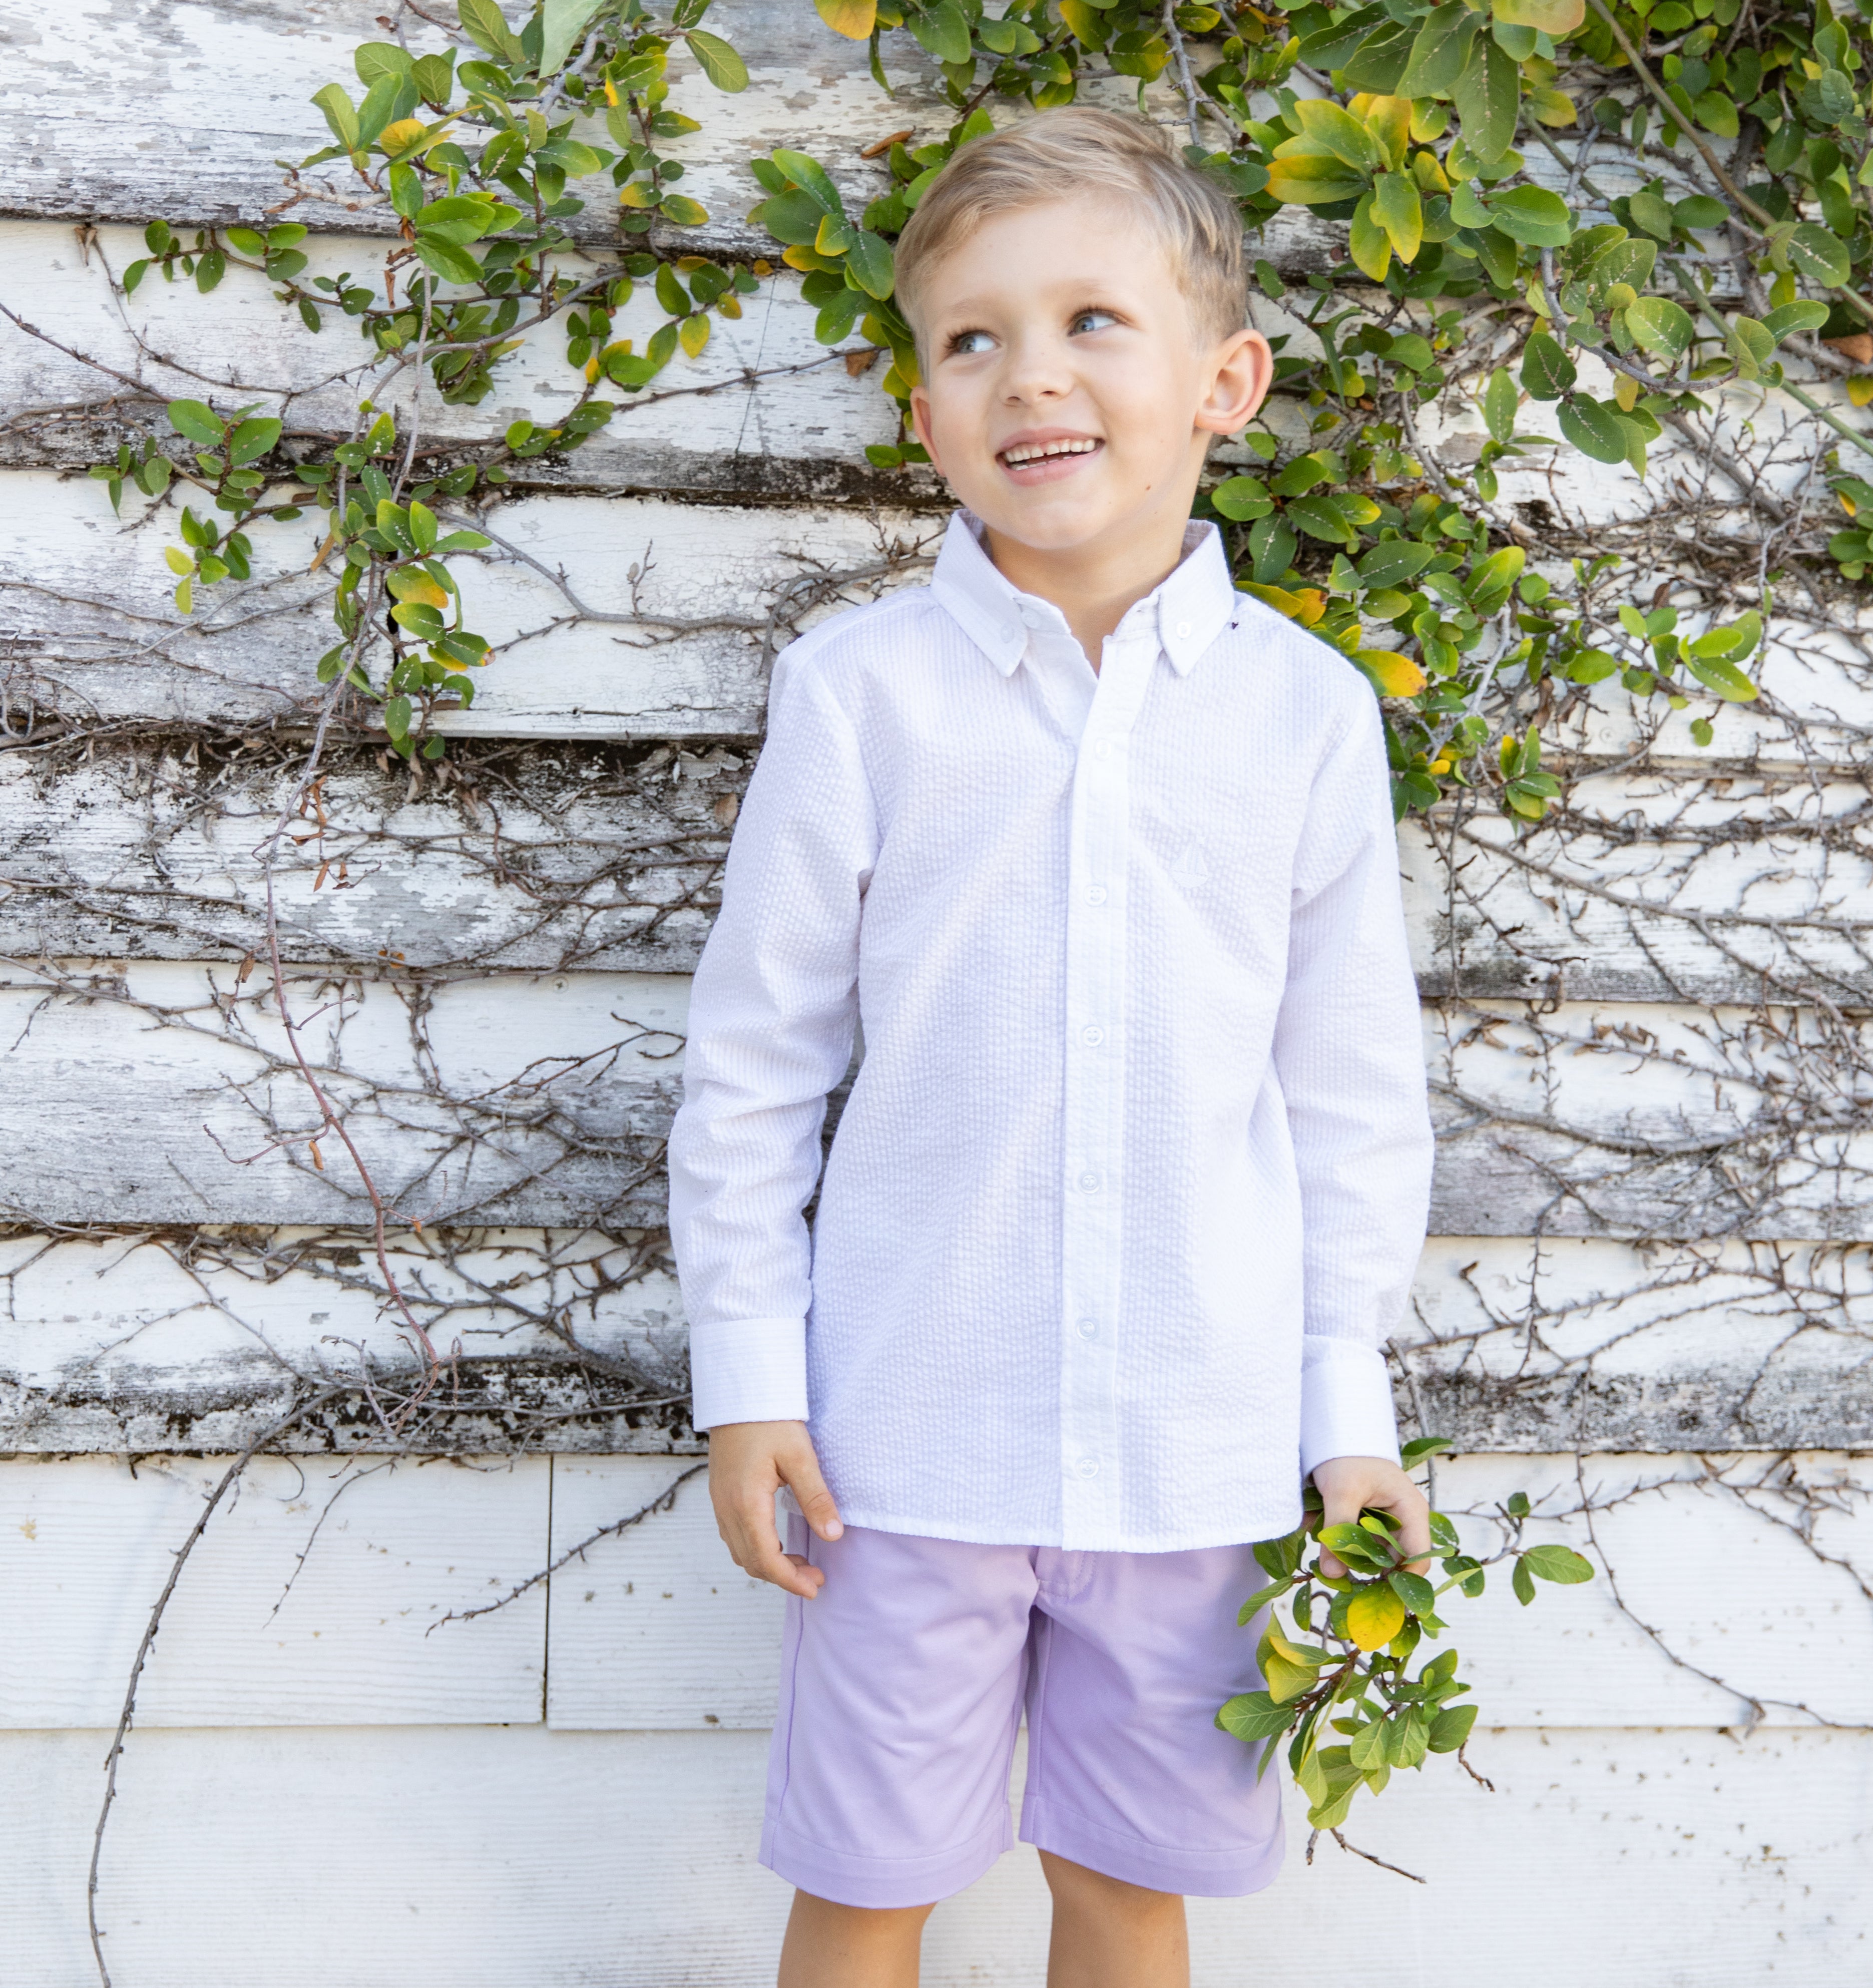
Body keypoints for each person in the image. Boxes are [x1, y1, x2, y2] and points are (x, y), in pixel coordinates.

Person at [666, 105, 1434, 1988]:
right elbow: (754, 1062)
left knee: (1128, 1891)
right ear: (923, 410)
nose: (1033, 376)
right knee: (863, 1887)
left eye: (1094, 319)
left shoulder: (1308, 719)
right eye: (972, 339)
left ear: (1222, 381)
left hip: (1199, 1449)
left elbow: (1344, 1097)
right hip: (905, 1447)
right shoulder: (861, 698)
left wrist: (1345, 1422)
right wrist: (748, 1376)